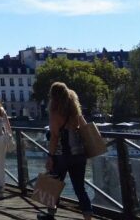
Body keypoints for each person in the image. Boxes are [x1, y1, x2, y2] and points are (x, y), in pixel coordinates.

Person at [40, 82, 93, 220]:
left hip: (61, 156)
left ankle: (50, 215)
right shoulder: (75, 111)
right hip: (79, 154)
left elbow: (54, 137)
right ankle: (88, 218)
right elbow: (85, 128)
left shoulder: (55, 113)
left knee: (53, 185)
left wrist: (50, 156)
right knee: (80, 189)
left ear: (53, 96)